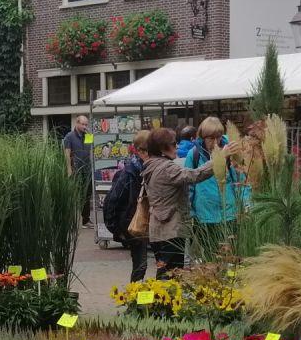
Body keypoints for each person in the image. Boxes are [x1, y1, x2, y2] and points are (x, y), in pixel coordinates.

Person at [141, 127, 232, 275]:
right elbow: (195, 175)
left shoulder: (152, 165)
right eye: (173, 144)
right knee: (171, 275)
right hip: (171, 230)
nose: (177, 147)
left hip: (159, 228)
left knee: (165, 272)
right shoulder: (166, 168)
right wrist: (219, 158)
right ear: (162, 148)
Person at [184, 116, 250, 261]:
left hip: (230, 214)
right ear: (202, 137)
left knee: (231, 257)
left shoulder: (232, 152)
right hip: (205, 216)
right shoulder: (194, 155)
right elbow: (188, 186)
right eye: (210, 138)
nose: (215, 142)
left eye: (218, 137)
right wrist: (191, 213)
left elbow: (242, 181)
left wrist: (245, 202)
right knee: (210, 258)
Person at [103, 130, 150, 281]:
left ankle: (146, 293)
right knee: (141, 265)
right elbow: (113, 201)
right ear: (140, 151)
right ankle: (135, 294)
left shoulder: (151, 169)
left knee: (155, 264)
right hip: (134, 225)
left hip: (150, 224)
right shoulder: (129, 173)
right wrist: (116, 229)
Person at [62, 114, 93, 227]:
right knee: (77, 195)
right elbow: (66, 154)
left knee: (87, 195)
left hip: (87, 170)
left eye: (86, 124)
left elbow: (91, 151)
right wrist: (69, 170)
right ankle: (72, 220)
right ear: (77, 123)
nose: (85, 127)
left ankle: (86, 220)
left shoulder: (88, 135)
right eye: (83, 124)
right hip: (76, 171)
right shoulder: (69, 136)